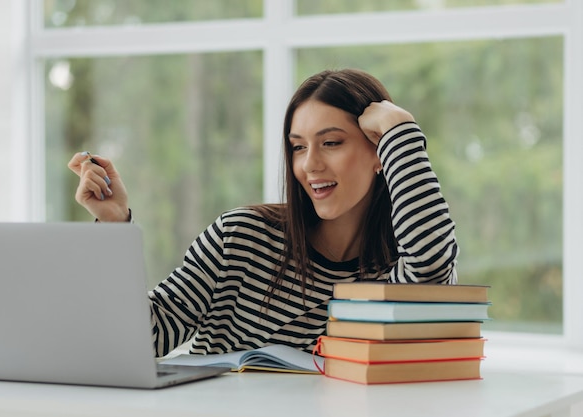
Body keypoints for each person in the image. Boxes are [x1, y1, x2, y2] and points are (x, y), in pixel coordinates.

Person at [68, 68, 458, 358]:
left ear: (379, 153)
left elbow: (431, 266)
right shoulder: (240, 237)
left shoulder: (397, 270)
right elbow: (140, 338)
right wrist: (114, 226)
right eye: (298, 147)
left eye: (332, 143)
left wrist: (400, 129)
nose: (310, 165)